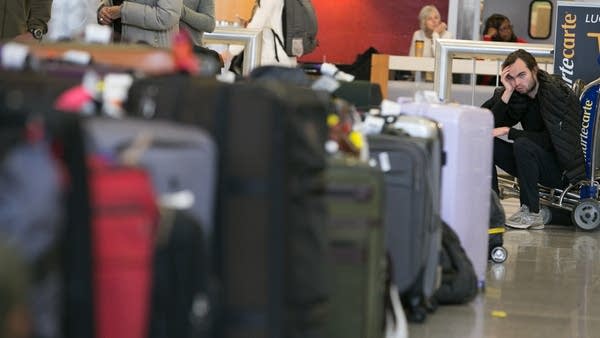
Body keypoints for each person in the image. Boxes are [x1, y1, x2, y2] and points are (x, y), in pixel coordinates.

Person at [482, 49, 585, 230]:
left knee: (522, 144)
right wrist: (506, 92)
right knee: (487, 143)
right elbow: (487, 123)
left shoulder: (555, 93)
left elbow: (552, 141)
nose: (518, 83)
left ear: (534, 70)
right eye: (511, 78)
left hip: (560, 168)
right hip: (532, 162)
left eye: (522, 75)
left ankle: (531, 212)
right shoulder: (518, 94)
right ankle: (491, 207)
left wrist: (510, 132)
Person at [225, 0, 296, 69]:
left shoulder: (268, 1)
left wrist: (230, 53)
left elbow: (253, 30)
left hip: (273, 63)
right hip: (287, 59)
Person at [97, 0, 183, 48]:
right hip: (119, 48)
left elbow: (167, 16)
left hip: (154, 55)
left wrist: (123, 11)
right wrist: (103, 10)